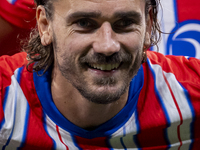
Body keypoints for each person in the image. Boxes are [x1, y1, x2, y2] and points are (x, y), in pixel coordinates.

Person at [0, 0, 199, 149]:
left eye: (125, 22)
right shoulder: (5, 95)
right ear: (45, 25)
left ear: (148, 24)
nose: (107, 46)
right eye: (84, 23)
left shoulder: (191, 91)